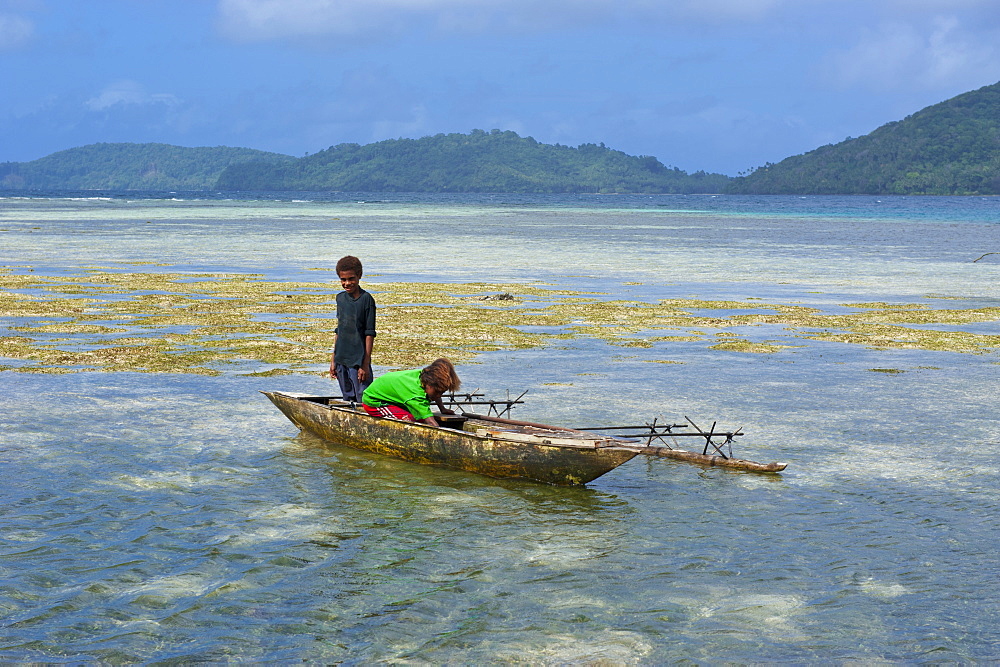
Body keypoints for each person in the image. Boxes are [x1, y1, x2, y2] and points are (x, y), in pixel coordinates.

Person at [329, 255, 376, 403]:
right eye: (343, 280)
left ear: (359, 276)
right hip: (341, 359)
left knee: (364, 400)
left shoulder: (366, 299)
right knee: (347, 399)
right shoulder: (340, 299)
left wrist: (365, 364)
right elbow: (339, 330)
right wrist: (333, 360)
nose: (347, 283)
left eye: (351, 278)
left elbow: (369, 333)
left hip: (358, 361)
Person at [361, 358, 461, 427]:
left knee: (420, 416)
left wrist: (442, 409)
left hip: (394, 397)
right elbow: (430, 421)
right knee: (410, 421)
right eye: (438, 392)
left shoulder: (425, 375)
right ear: (429, 385)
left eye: (442, 393)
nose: (438, 396)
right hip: (375, 402)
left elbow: (436, 393)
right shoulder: (415, 395)